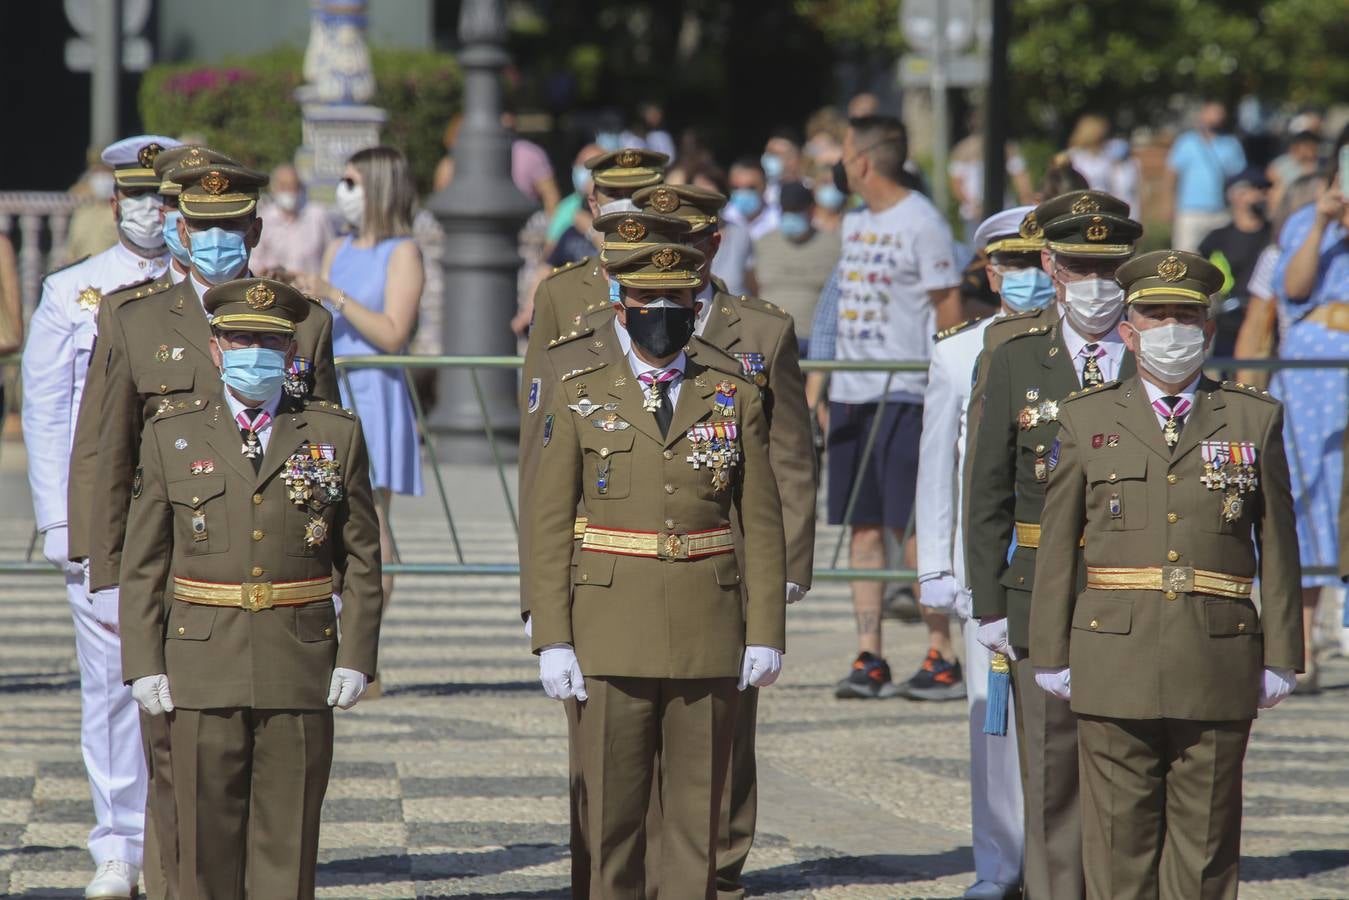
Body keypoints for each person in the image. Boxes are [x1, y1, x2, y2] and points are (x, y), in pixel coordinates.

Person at [1030, 250, 1303, 900]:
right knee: (1118, 849)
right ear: (1127, 329)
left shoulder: (1251, 418)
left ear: (1208, 330)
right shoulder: (1087, 417)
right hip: (1112, 656)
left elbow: (1278, 545)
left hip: (1216, 656)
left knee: (1204, 851)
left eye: (1186, 315)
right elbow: (1058, 544)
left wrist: (1282, 653)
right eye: (1155, 313)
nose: (1171, 327)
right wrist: (1049, 648)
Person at [523, 241, 787, 898]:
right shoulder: (578, 390)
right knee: (612, 815)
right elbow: (549, 520)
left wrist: (765, 630)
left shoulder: (731, 391)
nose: (661, 314)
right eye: (647, 301)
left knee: (697, 816)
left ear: (697, 306)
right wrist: (551, 635)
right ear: (621, 304)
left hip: (707, 620)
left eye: (676, 302)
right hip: (609, 623)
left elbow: (760, 517)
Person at [119, 277, 383, 900]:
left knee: (287, 845)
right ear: (216, 348)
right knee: (204, 847)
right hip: (202, 659)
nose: (253, 351)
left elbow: (364, 555)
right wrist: (142, 661)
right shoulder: (171, 434)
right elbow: (145, 562)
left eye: (269, 341)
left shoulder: (333, 433)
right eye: (241, 338)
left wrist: (357, 655)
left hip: (299, 656)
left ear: (292, 353)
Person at [629, 183, 816, 898]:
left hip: (731, 549)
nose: (675, 254)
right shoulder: (614, 321)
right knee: (632, 721)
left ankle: (718, 865)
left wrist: (789, 562)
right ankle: (647, 861)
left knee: (724, 726)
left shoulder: (760, 330)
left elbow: (792, 456)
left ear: (714, 244)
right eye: (656, 241)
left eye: (692, 240)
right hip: (635, 544)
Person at [966, 189, 1142, 900]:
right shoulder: (1012, 356)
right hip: (1037, 588)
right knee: (1050, 770)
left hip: (1129, 588)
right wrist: (987, 602)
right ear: (1052, 265)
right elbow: (986, 493)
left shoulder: (1147, 350)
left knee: (1128, 764)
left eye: (1109, 267)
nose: (1096, 284)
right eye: (1078, 265)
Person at [21, 134, 178, 900]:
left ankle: (182, 840)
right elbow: (47, 412)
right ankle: (118, 843)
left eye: (165, 198)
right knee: (113, 685)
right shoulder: (75, 291)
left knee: (193, 680)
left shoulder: (211, 287)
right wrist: (57, 520)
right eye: (140, 197)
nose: (153, 211)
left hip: (190, 511)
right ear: (116, 202)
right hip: (106, 516)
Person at [805, 114, 962, 699]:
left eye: (844, 153)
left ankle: (940, 651)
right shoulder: (854, 223)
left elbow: (948, 310)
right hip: (853, 393)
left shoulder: (922, 222)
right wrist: (822, 390)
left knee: (912, 524)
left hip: (906, 391)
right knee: (864, 528)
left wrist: (944, 388)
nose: (839, 165)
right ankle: (869, 654)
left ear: (864, 161)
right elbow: (836, 308)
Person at [916, 207, 1048, 898]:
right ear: (989, 271)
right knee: (990, 717)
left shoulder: (1093, 346)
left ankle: (1063, 861)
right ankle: (998, 865)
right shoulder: (958, 351)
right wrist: (935, 565)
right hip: (989, 563)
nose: (1027, 278)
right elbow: (939, 466)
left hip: (1063, 556)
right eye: (1012, 264)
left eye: (1038, 262)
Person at [294, 147, 425, 612]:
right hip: (333, 387)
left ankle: (367, 650)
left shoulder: (403, 251)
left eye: (353, 182)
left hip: (376, 391)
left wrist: (334, 293)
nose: (344, 192)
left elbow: (393, 332)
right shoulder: (338, 247)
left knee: (371, 523)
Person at [1269, 131, 1349, 693]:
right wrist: (1323, 223)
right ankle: (1300, 645)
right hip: (1311, 381)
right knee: (1307, 497)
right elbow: (1292, 291)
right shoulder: (1306, 225)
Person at [750, 180, 840, 356]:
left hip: (816, 343)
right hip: (771, 340)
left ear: (812, 210)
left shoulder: (834, 245)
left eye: (797, 211)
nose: (791, 217)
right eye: (786, 211)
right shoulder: (763, 243)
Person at [1198, 168, 1272, 359]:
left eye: (1265, 190)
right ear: (1236, 196)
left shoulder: (1275, 235)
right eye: (1256, 189)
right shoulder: (1216, 239)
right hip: (1229, 318)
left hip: (1267, 318)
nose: (1262, 196)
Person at [1167, 101, 1247, 252]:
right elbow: (1172, 174)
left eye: (1219, 114)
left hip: (1220, 211)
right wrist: (1169, 204)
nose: (1216, 118)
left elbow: (1239, 179)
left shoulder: (1231, 144)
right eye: (1212, 113)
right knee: (1185, 255)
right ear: (1202, 115)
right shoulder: (1186, 142)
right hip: (1190, 211)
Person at [250, 163, 334, 277]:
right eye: (284, 186)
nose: (290, 191)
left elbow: (332, 254)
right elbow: (254, 259)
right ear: (274, 188)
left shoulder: (318, 216)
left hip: (311, 291)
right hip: (277, 292)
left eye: (294, 186)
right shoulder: (264, 219)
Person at [64, 148, 122, 263]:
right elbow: (70, 256)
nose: (101, 177)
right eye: (97, 172)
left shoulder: (122, 213)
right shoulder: (82, 214)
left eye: (106, 172)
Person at [725, 157, 780, 241]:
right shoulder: (724, 218)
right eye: (736, 188)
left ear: (764, 186)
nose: (742, 194)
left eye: (751, 188)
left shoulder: (778, 219)